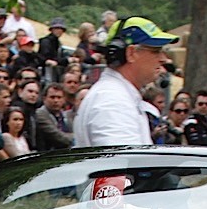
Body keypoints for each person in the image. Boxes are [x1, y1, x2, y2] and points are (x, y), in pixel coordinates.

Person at [72, 16, 179, 147]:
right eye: (156, 51)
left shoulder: (117, 96)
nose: (163, 59)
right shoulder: (113, 101)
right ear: (131, 53)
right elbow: (124, 164)